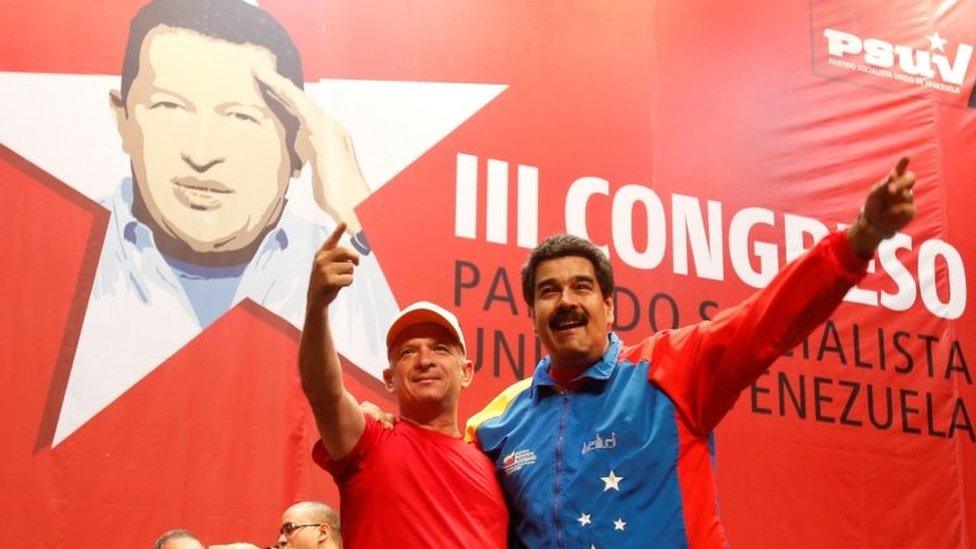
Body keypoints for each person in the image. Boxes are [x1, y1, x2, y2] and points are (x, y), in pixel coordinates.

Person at [464, 158, 918, 547]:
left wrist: (861, 237)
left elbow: (767, 320)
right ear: (531, 312)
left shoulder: (669, 369)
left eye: (581, 287)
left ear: (608, 305)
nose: (565, 301)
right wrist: (389, 426)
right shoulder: (498, 426)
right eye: (549, 291)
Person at [53, 0, 397, 445]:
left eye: (241, 117)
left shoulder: (350, 270)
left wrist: (354, 207)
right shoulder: (61, 256)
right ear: (123, 119)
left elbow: (427, 362)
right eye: (169, 107)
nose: (201, 153)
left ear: (297, 144)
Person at [299, 223, 508, 548]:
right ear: (389, 379)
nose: (424, 360)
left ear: (466, 372)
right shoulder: (370, 439)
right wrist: (316, 307)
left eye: (440, 348)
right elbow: (324, 393)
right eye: (408, 352)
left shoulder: (496, 467)